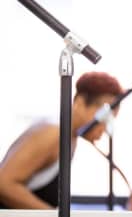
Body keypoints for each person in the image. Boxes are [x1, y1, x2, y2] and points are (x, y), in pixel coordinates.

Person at [0, 71, 123, 208]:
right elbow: (3, 184)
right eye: (103, 119)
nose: (104, 129)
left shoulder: (71, 137)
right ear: (80, 103)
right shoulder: (52, 133)